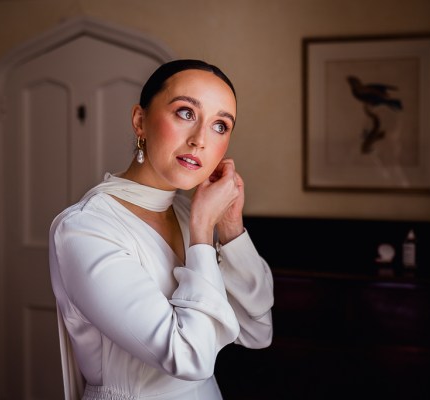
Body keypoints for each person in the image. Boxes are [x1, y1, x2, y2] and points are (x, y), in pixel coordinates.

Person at [49, 59, 274, 400]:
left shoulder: (188, 214)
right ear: (140, 121)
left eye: (220, 126)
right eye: (186, 113)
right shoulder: (86, 229)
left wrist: (229, 226)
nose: (200, 139)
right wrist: (202, 232)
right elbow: (189, 358)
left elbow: (257, 331)